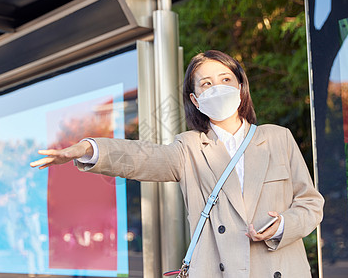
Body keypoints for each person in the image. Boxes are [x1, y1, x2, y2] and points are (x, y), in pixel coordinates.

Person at [30, 50, 324, 278]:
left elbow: (310, 204)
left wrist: (283, 225)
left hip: (280, 267)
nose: (217, 88)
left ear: (240, 87)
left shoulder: (277, 138)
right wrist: (88, 147)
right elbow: (142, 157)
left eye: (225, 79)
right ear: (196, 100)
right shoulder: (189, 147)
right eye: (206, 84)